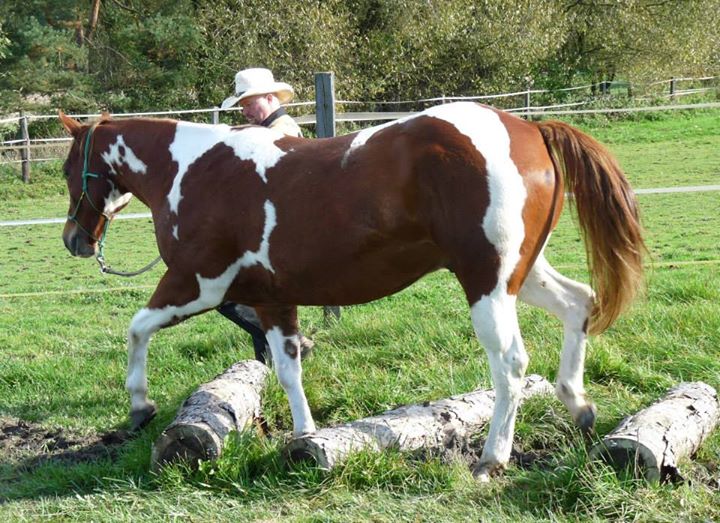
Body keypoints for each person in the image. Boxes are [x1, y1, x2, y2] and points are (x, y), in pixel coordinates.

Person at [217, 67, 312, 363]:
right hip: (275, 228)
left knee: (229, 290)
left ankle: (288, 342)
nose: (244, 111)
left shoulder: (279, 131)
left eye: (248, 103)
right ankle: (268, 360)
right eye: (242, 105)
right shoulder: (272, 129)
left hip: (282, 231)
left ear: (270, 98)